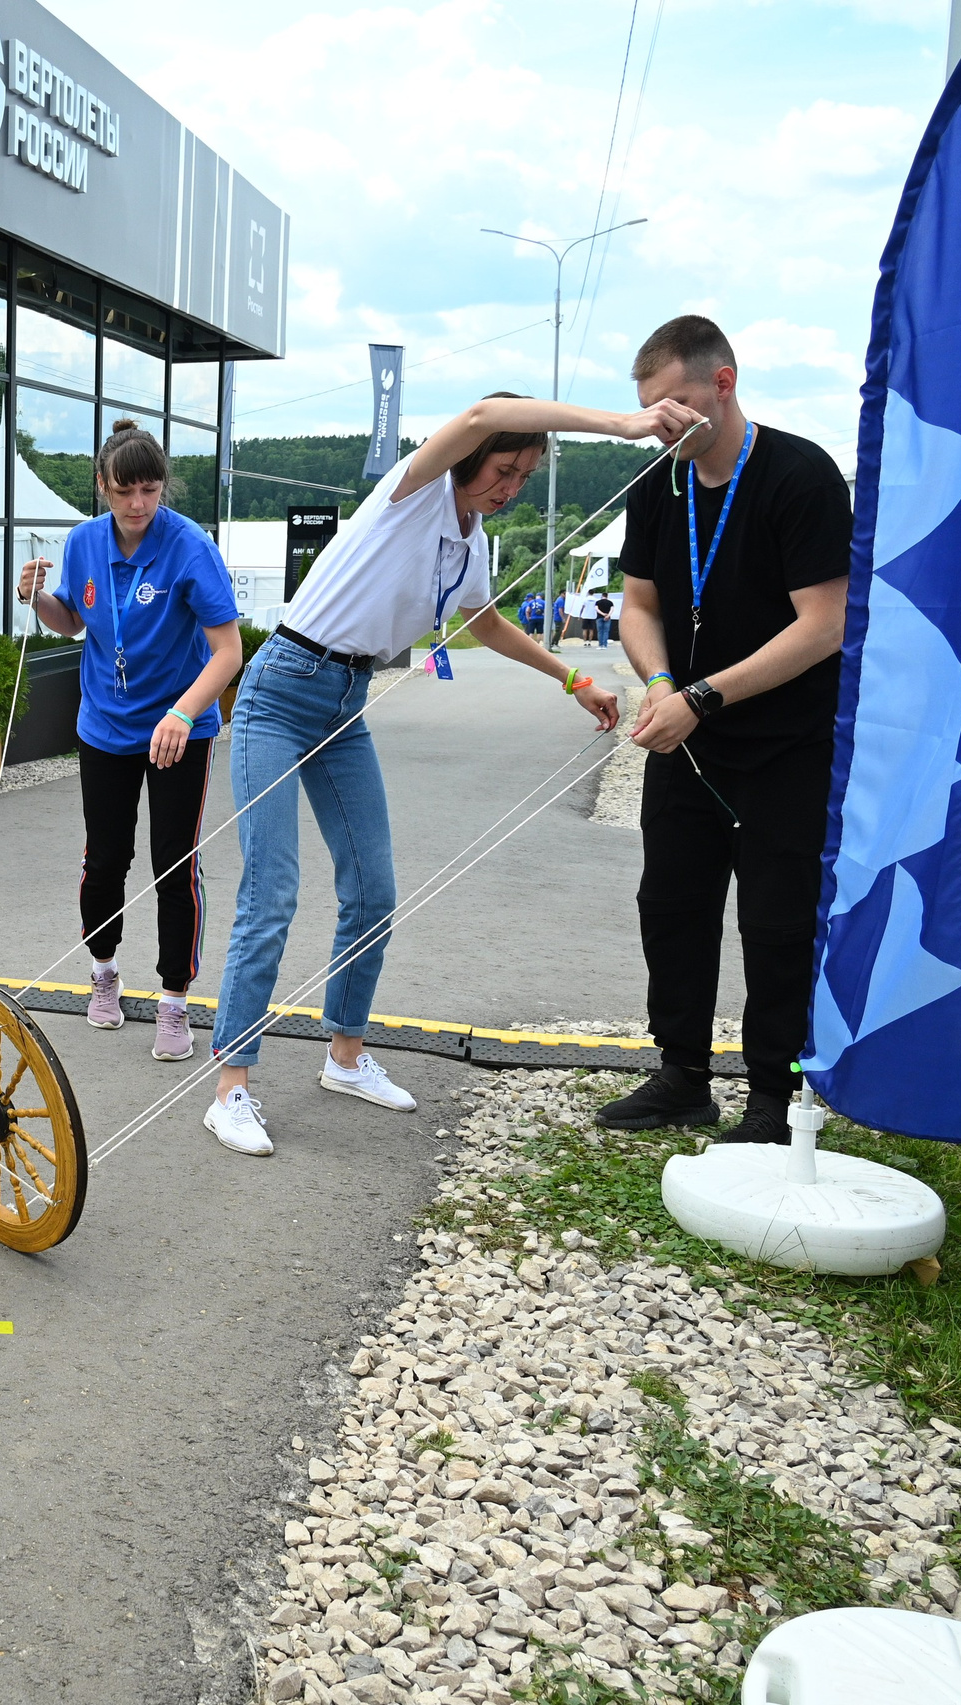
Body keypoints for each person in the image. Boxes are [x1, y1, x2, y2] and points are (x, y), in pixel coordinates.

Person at [204, 391, 699, 1158]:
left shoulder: (473, 542)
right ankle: (230, 1088)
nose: (509, 487)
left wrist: (573, 681)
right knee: (271, 889)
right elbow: (476, 416)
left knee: (372, 890)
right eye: (503, 469)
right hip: (280, 688)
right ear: (471, 458)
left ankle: (345, 1056)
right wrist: (626, 426)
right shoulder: (415, 490)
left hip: (344, 701)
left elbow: (482, 621)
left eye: (525, 477)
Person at [598, 316, 849, 1145]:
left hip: (784, 746)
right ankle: (682, 1076)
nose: (659, 422)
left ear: (723, 385)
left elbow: (823, 624)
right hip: (684, 738)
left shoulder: (799, 475)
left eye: (672, 402)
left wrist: (703, 695)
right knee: (671, 905)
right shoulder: (656, 485)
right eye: (646, 407)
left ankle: (775, 1096)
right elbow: (639, 605)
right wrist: (662, 682)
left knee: (777, 918)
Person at [17, 418, 241, 1061]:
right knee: (105, 858)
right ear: (102, 488)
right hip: (105, 727)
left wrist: (182, 713)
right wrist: (36, 599)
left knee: (174, 863)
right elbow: (71, 621)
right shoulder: (83, 541)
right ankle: (105, 972)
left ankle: (174, 1002)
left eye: (149, 490)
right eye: (123, 492)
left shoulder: (190, 546)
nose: (137, 504)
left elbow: (228, 651)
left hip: (179, 727)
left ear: (162, 487)